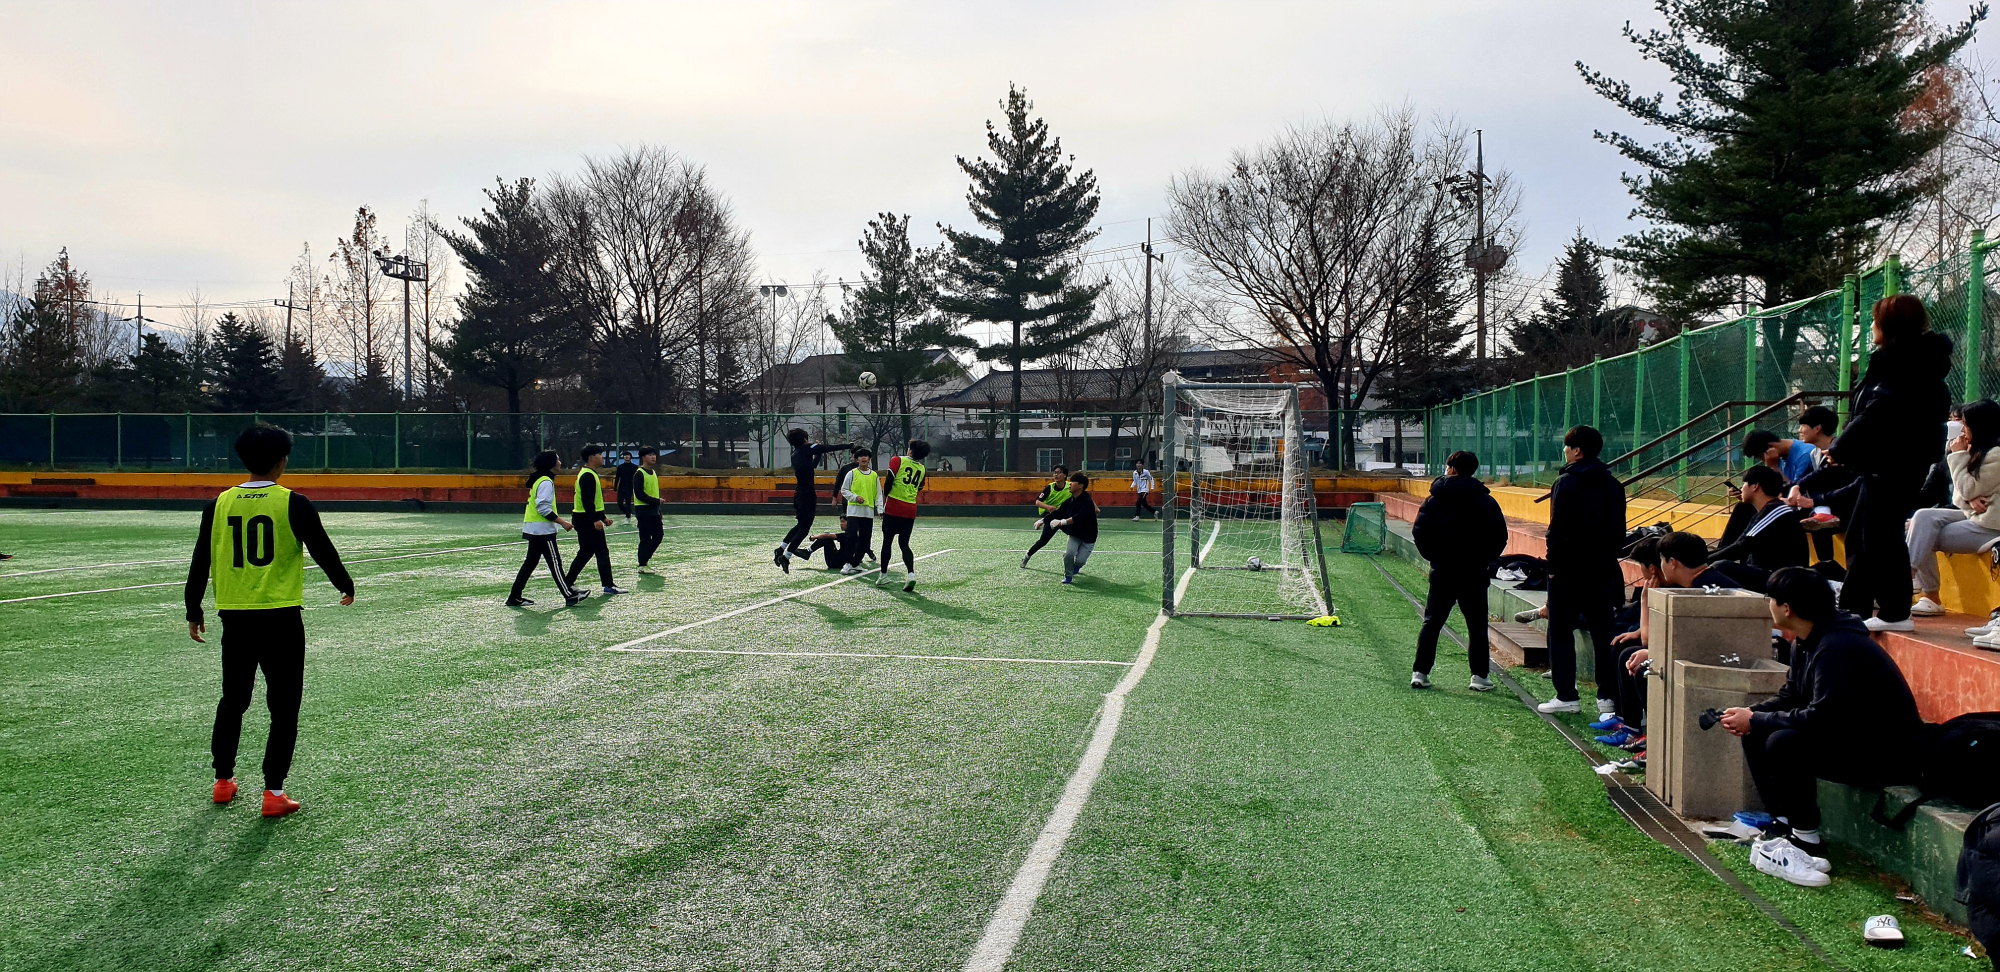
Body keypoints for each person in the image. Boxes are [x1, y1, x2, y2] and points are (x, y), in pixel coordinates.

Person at [184, 424, 355, 818]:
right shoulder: (293, 502)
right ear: (283, 460)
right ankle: (273, 792)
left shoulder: (218, 504)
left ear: (242, 459)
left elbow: (200, 561)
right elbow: (323, 550)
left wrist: (193, 608)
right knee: (283, 706)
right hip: (281, 619)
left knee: (233, 699)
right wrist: (344, 584)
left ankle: (223, 782)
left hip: (235, 618)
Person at [1721, 567, 1924, 887]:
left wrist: (1758, 719)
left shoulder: (1835, 647)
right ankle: (1786, 825)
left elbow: (1825, 717)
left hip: (1889, 751)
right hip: (1851, 736)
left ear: (1787, 608)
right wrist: (1752, 714)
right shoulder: (1809, 637)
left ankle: (1806, 841)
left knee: (1784, 742)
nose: (1768, 604)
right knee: (1757, 731)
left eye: (1770, 598)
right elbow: (1793, 695)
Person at [1822, 294, 1955, 632]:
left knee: (1882, 536)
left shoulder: (1905, 365)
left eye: (1874, 320)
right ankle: (1854, 608)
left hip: (1897, 461)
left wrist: (1841, 446)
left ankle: (1896, 612)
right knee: (1862, 537)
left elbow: (1878, 413)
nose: (1870, 327)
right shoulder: (1903, 362)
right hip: (1886, 461)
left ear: (1889, 325)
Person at [1539, 425, 1628, 715]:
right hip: (1602, 568)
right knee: (1604, 632)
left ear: (1577, 450)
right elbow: (1619, 532)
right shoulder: (1614, 485)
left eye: (1567, 446)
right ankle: (1607, 696)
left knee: (1561, 630)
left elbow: (1557, 530)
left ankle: (1566, 695)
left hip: (1567, 570)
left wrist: (1553, 567)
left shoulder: (1565, 482)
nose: (1564, 450)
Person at [1410, 450, 1508, 692]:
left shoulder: (1433, 500)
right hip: (1474, 572)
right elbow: (1499, 537)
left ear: (1451, 469)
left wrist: (1436, 558)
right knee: (1476, 626)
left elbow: (1420, 533)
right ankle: (1479, 677)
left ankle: (1420, 673)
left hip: (1443, 571)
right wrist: (1484, 559)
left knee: (1432, 622)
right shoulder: (1486, 500)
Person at [1907, 399, 2000, 617]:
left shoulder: (1996, 454)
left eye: (1965, 424)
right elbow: (1960, 494)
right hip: (1974, 516)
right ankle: (1918, 585)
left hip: (1990, 526)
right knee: (1922, 518)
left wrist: (1957, 456)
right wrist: (1968, 501)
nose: (1962, 430)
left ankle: (1924, 591)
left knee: (1920, 533)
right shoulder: (1975, 451)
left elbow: (1966, 489)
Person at [509, 451, 585, 607]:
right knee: (555, 563)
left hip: (534, 528)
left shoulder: (541, 480)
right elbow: (543, 507)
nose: (560, 462)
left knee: (530, 563)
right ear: (551, 463)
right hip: (543, 530)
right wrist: (562, 522)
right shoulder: (546, 482)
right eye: (558, 459)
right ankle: (570, 595)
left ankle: (514, 597)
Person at [776, 429, 854, 574]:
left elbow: (812, 466)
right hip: (807, 496)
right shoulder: (806, 449)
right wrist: (848, 446)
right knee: (804, 529)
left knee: (800, 525)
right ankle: (786, 556)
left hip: (800, 494)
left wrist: (817, 453)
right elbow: (827, 448)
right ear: (805, 439)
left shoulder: (796, 454)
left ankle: (781, 549)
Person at [1710, 465, 1808, 573]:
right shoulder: (1765, 510)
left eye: (1744, 484)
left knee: (1720, 567)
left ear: (1755, 486)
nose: (1742, 488)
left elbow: (1742, 546)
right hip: (1768, 572)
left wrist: (1703, 562)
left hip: (1782, 578)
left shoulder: (1776, 511)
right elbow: (1739, 543)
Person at [564, 445, 624, 596]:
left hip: (583, 518)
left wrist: (603, 518)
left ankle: (568, 582)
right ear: (592, 458)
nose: (602, 457)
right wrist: (595, 519)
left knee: (586, 552)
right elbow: (587, 500)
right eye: (600, 454)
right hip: (586, 519)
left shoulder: (589, 473)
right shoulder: (588, 475)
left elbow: (593, 500)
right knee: (601, 551)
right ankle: (608, 585)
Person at [877, 438, 929, 592]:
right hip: (910, 509)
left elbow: (889, 481)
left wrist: (885, 498)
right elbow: (919, 487)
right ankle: (911, 574)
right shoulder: (922, 469)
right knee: (904, 543)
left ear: (910, 450)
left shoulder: (897, 460)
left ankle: (883, 575)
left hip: (894, 507)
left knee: (887, 542)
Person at [836, 449, 883, 574]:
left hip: (868, 512)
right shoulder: (852, 473)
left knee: (865, 540)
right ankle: (848, 563)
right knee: (851, 537)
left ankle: (856, 563)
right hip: (853, 511)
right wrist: (855, 497)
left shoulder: (874, 475)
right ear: (857, 459)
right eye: (861, 456)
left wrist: (880, 509)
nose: (864, 458)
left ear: (869, 459)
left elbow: (878, 493)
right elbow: (844, 490)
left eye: (866, 456)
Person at [1048, 471, 1098, 584]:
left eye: (1072, 482)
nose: (1069, 484)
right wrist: (1042, 520)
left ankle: (1076, 567)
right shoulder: (1070, 500)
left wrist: (1062, 522)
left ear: (1080, 485)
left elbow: (1080, 517)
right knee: (1069, 554)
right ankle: (1068, 576)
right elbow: (1059, 512)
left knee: (1080, 561)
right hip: (1075, 534)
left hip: (1089, 537)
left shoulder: (1087, 501)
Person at [1022, 465, 1072, 568]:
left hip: (1062, 517)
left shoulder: (1070, 487)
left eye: (1058, 473)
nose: (1055, 475)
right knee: (1043, 541)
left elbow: (1083, 496)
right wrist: (1048, 507)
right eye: (1055, 473)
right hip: (1050, 517)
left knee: (1076, 535)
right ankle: (1027, 556)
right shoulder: (1050, 487)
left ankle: (1069, 554)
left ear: (1065, 475)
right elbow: (1037, 501)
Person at [633, 447, 664, 574]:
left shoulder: (654, 473)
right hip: (643, 510)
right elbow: (639, 494)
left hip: (654, 511)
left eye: (654, 454)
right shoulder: (639, 474)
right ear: (643, 457)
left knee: (658, 535)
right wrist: (656, 501)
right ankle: (642, 564)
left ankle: (645, 559)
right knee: (645, 538)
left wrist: (658, 509)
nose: (653, 457)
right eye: (650, 455)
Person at [613, 451, 639, 523]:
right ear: (623, 457)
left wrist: (636, 487)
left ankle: (627, 517)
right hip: (621, 486)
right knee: (619, 503)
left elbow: (636, 478)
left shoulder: (634, 467)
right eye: (625, 455)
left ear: (630, 457)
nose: (626, 457)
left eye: (628, 455)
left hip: (630, 487)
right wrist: (615, 486)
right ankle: (628, 513)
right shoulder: (620, 467)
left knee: (628, 503)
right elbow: (617, 477)